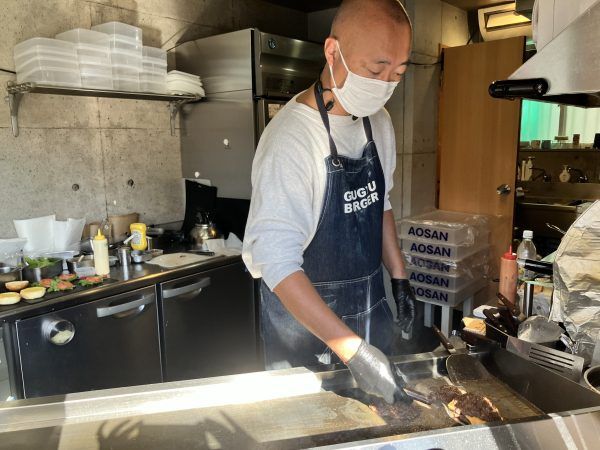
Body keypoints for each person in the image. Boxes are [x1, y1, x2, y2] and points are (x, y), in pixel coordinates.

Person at [243, 0, 416, 404]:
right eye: (376, 70)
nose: (385, 84)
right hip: (306, 330)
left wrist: (399, 276)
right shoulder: (291, 139)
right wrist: (352, 351)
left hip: (370, 306)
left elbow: (380, 202)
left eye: (398, 74)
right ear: (332, 51)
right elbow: (277, 263)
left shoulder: (380, 123)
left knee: (385, 421)